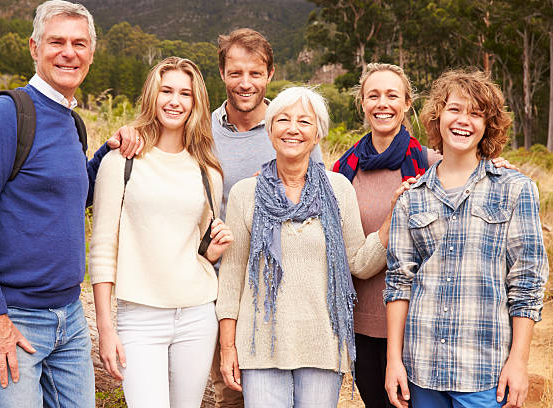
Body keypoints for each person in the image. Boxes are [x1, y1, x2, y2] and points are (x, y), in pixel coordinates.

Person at [117, 28, 322, 407]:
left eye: (255, 73)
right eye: (236, 73)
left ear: (270, 74)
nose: (245, 83)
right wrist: (129, 134)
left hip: (280, 293)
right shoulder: (201, 132)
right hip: (215, 290)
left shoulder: (292, 130)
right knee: (231, 392)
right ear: (223, 74)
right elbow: (162, 153)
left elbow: (317, 205)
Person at [0, 1, 137, 407]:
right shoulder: (7, 114)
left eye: (79, 43)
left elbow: (72, 197)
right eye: (56, 41)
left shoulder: (72, 121)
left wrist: (106, 155)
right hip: (13, 315)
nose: (68, 52)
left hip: (70, 317)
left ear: (91, 53)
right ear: (34, 47)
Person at [332, 63, 516, 408]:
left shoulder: (432, 163)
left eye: (392, 95)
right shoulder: (342, 172)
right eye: (373, 95)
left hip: (427, 330)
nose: (382, 103)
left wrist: (498, 167)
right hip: (363, 324)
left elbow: (471, 169)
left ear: (408, 104)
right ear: (362, 103)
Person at [216, 86, 408, 407]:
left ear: (318, 133)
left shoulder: (339, 189)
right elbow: (232, 276)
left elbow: (358, 264)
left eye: (304, 122)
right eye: (283, 120)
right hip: (260, 345)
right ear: (270, 128)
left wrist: (391, 221)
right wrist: (227, 347)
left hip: (322, 344)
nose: (293, 129)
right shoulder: (244, 193)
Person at [384, 69, 548, 408]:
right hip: (422, 369)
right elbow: (399, 283)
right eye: (455, 109)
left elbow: (527, 284)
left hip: (484, 372)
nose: (464, 121)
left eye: (476, 114)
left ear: (488, 125)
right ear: (437, 116)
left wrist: (518, 362)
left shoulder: (515, 190)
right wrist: (393, 360)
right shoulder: (411, 197)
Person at [89, 56, 234, 408]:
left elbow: (199, 247)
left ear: (196, 103)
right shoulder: (120, 162)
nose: (175, 100)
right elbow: (103, 248)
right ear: (152, 96)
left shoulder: (207, 170)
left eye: (185, 93)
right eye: (166, 91)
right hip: (139, 317)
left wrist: (213, 250)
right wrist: (107, 328)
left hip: (198, 314)